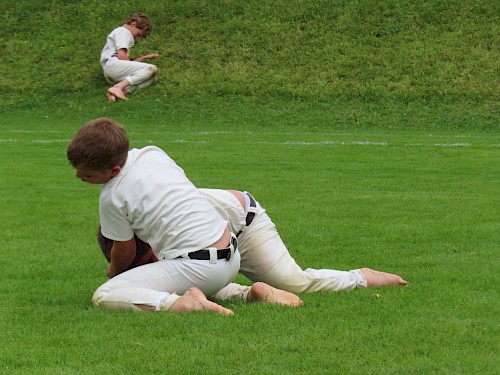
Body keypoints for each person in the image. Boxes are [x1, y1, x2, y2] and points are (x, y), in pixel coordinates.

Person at [67, 118, 301, 315]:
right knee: (180, 275)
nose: (78, 176)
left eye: (86, 174)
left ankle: (185, 304)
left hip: (200, 266)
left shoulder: (111, 195)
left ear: (114, 171)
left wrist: (114, 272)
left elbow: (125, 249)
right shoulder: (152, 154)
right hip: (231, 254)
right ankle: (248, 293)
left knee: (105, 294)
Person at [97, 188, 408, 303]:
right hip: (213, 252)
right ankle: (252, 294)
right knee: (190, 281)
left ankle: (361, 277)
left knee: (295, 283)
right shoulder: (136, 228)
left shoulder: (156, 221)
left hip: (244, 223)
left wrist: (118, 277)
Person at [100, 13, 159, 102]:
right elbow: (121, 55)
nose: (137, 38)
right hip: (113, 65)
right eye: (138, 34)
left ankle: (118, 92)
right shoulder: (123, 31)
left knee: (152, 79)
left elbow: (123, 62)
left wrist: (143, 58)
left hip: (112, 69)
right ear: (133, 24)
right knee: (152, 68)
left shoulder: (120, 32)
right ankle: (118, 87)